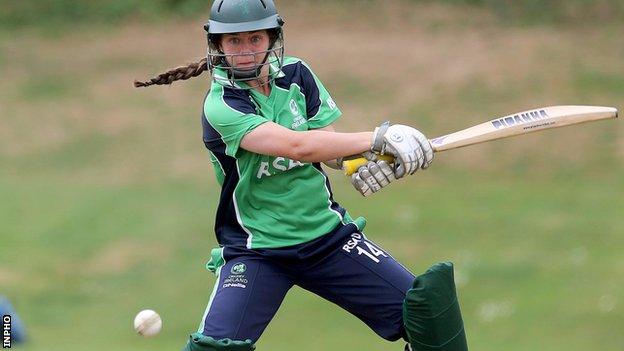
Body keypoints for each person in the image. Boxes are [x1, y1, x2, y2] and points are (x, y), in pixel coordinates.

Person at [135, 1, 468, 350]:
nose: (245, 51)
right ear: (217, 45)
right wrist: (379, 137)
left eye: (254, 38)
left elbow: (329, 144)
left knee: (431, 318)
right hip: (259, 250)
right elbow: (298, 146)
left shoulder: (298, 75)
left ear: (272, 38)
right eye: (234, 42)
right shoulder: (222, 104)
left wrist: (366, 160)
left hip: (328, 239)